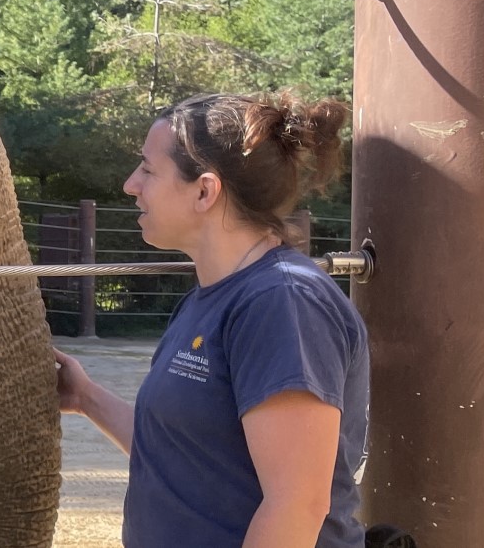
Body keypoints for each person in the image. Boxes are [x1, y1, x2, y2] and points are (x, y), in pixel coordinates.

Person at [56, 92, 370, 548]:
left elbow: (297, 505)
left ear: (205, 190)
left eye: (147, 169)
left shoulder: (282, 302)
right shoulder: (214, 298)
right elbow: (185, 456)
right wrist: (86, 398)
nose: (130, 185)